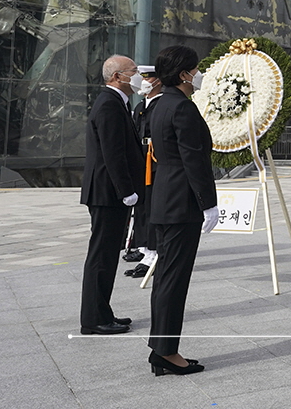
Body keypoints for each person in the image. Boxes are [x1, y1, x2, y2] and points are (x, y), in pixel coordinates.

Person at [147, 45, 218, 376]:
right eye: (196, 68)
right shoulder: (184, 109)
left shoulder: (161, 104)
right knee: (173, 280)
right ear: (184, 74)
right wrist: (210, 203)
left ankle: (161, 348)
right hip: (181, 203)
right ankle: (166, 351)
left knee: (165, 278)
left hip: (164, 199)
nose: (199, 73)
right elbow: (195, 160)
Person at [80, 55, 145, 335]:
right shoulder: (109, 104)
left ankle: (102, 312)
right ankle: (94, 319)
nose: (139, 76)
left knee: (107, 256)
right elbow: (112, 153)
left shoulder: (117, 102)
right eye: (134, 71)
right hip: (108, 193)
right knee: (101, 256)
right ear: (118, 76)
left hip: (110, 192)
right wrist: (126, 191)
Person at [125, 66, 163, 278]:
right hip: (140, 158)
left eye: (147, 78)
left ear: (157, 81)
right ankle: (143, 249)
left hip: (154, 159)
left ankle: (152, 252)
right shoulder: (141, 105)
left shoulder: (160, 104)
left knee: (151, 206)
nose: (144, 81)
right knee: (141, 206)